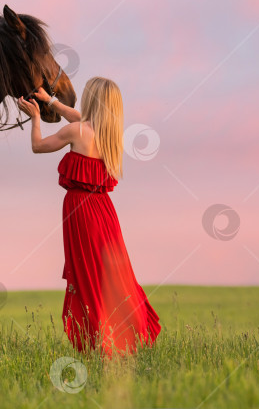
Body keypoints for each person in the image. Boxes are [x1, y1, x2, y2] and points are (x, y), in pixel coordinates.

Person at [17, 76, 161, 357]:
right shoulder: (108, 134)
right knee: (111, 273)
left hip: (80, 211)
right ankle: (126, 332)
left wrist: (35, 116)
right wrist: (50, 101)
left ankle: (99, 337)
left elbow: (38, 146)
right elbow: (76, 115)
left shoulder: (76, 131)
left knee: (87, 274)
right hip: (104, 211)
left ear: (91, 100)